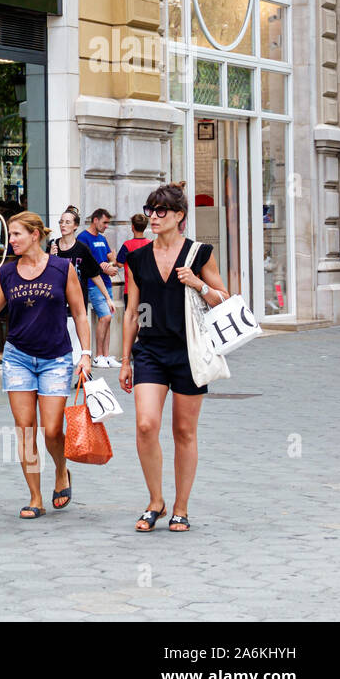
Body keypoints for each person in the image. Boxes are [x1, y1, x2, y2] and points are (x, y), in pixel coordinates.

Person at [120, 182, 229, 533]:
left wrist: (198, 283)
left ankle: (181, 507)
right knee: (145, 424)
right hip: (149, 350)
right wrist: (124, 359)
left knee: (184, 431)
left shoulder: (200, 253)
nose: (153, 216)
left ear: (179, 216)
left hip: (188, 351)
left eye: (161, 210)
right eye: (150, 210)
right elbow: (132, 311)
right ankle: (156, 501)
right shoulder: (136, 257)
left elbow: (224, 299)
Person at [0, 213, 93, 519]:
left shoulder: (62, 269)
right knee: (25, 430)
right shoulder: (8, 273)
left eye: (16, 234)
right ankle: (35, 497)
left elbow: (79, 313)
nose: (10, 240)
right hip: (18, 358)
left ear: (35, 234)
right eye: (9, 235)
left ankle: (61, 471)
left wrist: (87, 353)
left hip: (55, 358)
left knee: (52, 429)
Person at [51, 206, 113, 366]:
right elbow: (45, 273)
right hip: (57, 302)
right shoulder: (53, 246)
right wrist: (51, 257)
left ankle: (83, 373)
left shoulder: (81, 249)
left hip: (77, 301)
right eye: (61, 222)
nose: (63, 225)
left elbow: (95, 274)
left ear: (75, 226)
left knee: (77, 341)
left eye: (67, 222)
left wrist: (108, 298)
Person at [78, 208, 120, 367]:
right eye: (105, 222)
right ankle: (98, 356)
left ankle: (106, 356)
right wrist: (103, 267)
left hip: (106, 283)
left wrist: (111, 264)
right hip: (93, 284)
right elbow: (84, 261)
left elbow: (110, 259)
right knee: (105, 317)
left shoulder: (102, 238)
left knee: (108, 318)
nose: (107, 226)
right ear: (95, 220)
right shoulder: (83, 238)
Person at [116, 214, 152, 300]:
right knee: (146, 313)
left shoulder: (127, 245)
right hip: (147, 289)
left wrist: (114, 259)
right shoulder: (150, 244)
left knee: (131, 313)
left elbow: (120, 264)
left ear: (132, 227)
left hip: (130, 290)